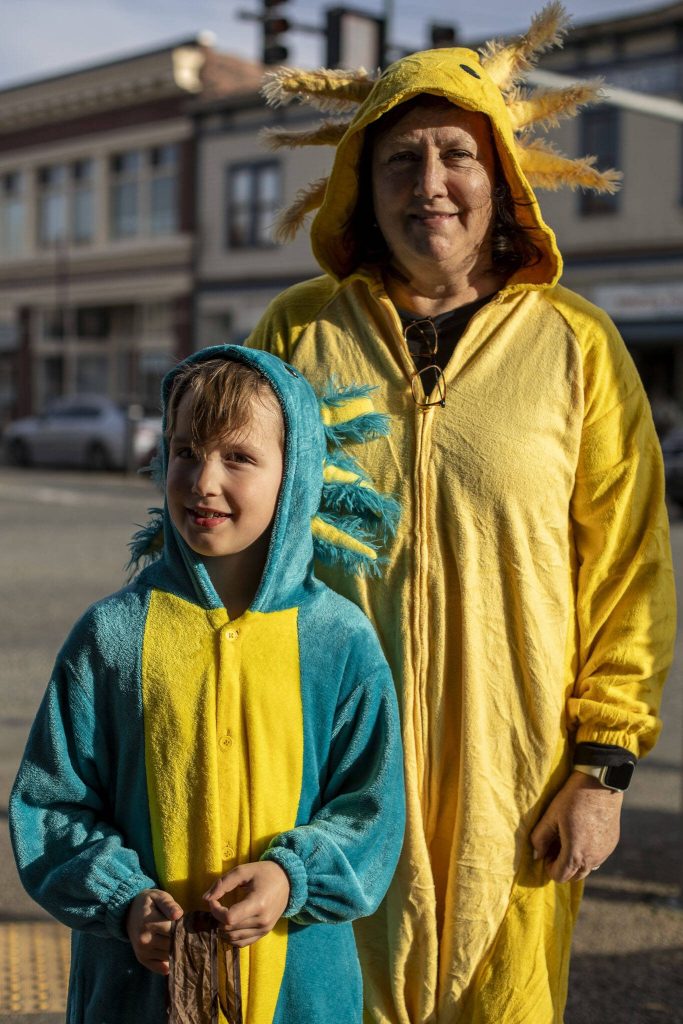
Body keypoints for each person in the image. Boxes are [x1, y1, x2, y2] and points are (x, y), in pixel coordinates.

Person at [247, 5, 677, 1022]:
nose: (428, 184)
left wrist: (601, 767)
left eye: (454, 155)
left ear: (501, 180)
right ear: (361, 179)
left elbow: (626, 570)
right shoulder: (297, 333)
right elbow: (226, 540)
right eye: (399, 158)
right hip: (327, 769)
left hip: (519, 773)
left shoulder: (575, 345)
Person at [9, 345, 405, 1024]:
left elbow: (371, 810)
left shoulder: (339, 642)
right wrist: (124, 901)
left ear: (296, 475)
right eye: (185, 451)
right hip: (133, 994)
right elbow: (50, 807)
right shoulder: (112, 635)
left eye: (238, 458)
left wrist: (290, 879)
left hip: (298, 994)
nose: (203, 480)